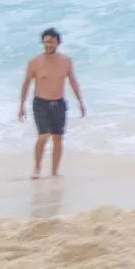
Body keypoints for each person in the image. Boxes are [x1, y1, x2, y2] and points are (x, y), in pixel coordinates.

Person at [17, 27, 86, 179]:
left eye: (52, 42)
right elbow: (26, 84)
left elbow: (73, 82)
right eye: (46, 42)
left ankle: (54, 172)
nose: (49, 45)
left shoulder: (66, 61)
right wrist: (21, 106)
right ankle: (37, 168)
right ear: (43, 42)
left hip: (59, 104)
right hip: (40, 103)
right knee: (43, 136)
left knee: (58, 138)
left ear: (58, 43)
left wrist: (80, 102)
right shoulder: (34, 62)